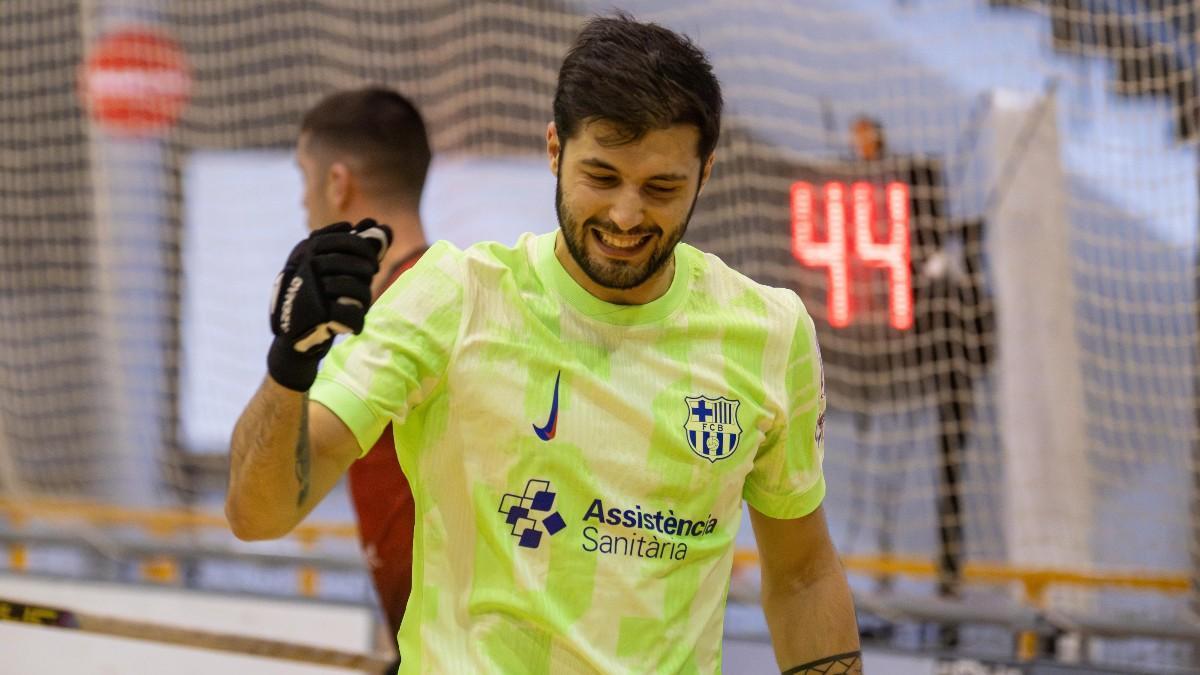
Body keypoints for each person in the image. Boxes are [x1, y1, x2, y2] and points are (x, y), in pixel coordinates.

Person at [228, 14, 860, 674]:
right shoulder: (453, 297)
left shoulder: (770, 331)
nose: (625, 214)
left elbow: (803, 575)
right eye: (602, 175)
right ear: (555, 150)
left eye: (662, 187)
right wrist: (290, 363)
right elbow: (259, 512)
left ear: (706, 172)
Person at [294, 86, 432, 672]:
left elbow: (273, 493)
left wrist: (288, 359)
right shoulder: (397, 300)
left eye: (305, 177)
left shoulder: (415, 300)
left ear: (337, 182)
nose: (302, 201)